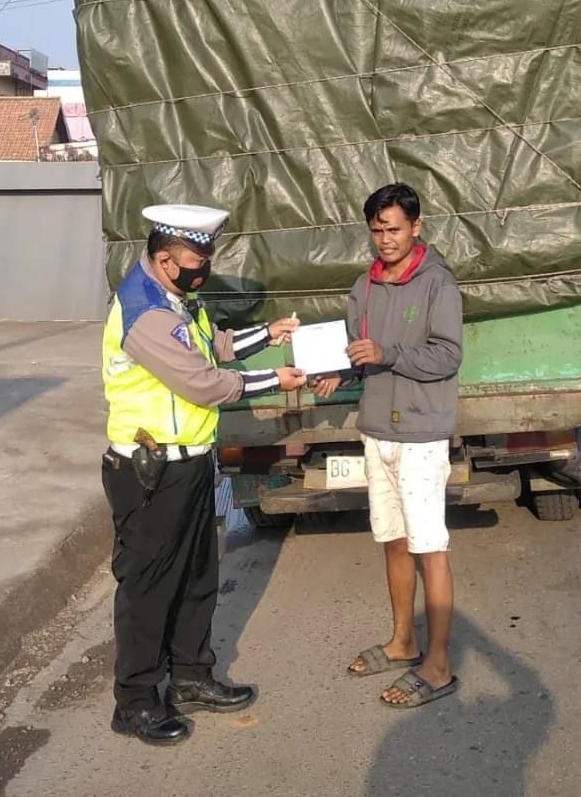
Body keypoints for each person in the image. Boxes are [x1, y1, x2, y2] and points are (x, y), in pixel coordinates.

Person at [101, 203, 306, 746]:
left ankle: (191, 677)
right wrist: (273, 382)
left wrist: (269, 333)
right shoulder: (144, 311)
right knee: (148, 587)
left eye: (208, 256)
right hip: (148, 473)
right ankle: (136, 700)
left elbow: (212, 347)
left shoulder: (178, 298)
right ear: (164, 259)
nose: (205, 266)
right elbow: (205, 383)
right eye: (198, 257)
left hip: (189, 463)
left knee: (197, 575)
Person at [313, 183, 463, 709]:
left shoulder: (438, 284)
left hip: (422, 433)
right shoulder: (364, 286)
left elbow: (447, 355)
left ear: (416, 227)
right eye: (377, 230)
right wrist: (337, 369)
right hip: (377, 428)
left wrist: (388, 351)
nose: (385, 240)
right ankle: (403, 641)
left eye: (394, 229)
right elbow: (359, 350)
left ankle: (439, 665)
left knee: (429, 548)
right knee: (393, 540)